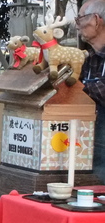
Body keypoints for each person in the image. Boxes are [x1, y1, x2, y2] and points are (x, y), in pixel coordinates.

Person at [77, 0, 105, 183]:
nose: (77, 24)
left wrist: (76, 88)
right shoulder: (89, 59)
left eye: (80, 18)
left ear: (96, 20)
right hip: (88, 143)